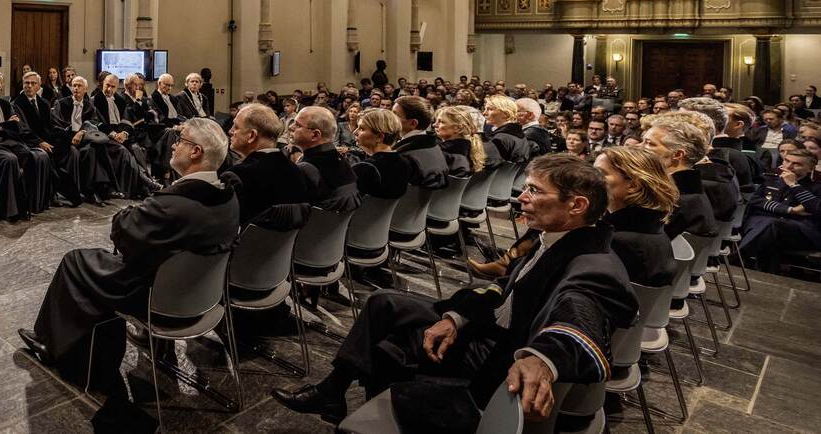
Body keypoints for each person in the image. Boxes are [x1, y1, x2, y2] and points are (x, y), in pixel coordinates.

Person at [271, 154, 637, 427]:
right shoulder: (562, 237)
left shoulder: (592, 264)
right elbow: (507, 288)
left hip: (500, 352)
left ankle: (365, 410)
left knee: (389, 347)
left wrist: (543, 360)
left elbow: (579, 320)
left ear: (576, 205)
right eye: (525, 187)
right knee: (385, 304)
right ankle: (333, 394)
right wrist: (456, 317)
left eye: (535, 191)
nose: (522, 197)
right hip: (490, 325)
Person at [17, 118, 238, 425]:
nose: (173, 144)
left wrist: (130, 212)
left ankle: (58, 349)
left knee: (76, 261)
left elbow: (122, 233)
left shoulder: (173, 206)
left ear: (196, 152)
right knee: (96, 266)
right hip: (202, 297)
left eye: (181, 140)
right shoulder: (228, 196)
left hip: (158, 298)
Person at [0, 71, 53, 217]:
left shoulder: (5, 104)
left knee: (31, 155)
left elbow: (17, 128)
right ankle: (8, 210)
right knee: (10, 160)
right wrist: (6, 125)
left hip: (10, 142)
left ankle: (28, 204)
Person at [593, 146, 678, 287]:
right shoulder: (651, 224)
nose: (590, 178)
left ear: (634, 185)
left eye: (600, 174)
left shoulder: (616, 241)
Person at [16, 70, 101, 206]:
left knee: (72, 151)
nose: (30, 86)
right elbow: (22, 129)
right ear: (23, 85)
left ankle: (74, 191)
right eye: (27, 83)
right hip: (30, 142)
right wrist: (40, 142)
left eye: (33, 83)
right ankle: (55, 194)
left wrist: (64, 135)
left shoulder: (42, 102)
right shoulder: (17, 104)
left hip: (47, 140)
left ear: (38, 86)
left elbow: (52, 125)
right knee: (51, 158)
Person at [224, 103, 311, 226]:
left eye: (236, 127)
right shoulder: (296, 170)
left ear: (252, 136)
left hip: (248, 245)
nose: (230, 131)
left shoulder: (237, 176)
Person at [738, 151, 821, 273]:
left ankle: (738, 255)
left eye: (796, 164)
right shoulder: (770, 178)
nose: (788, 166)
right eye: (786, 161)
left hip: (800, 231)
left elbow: (816, 208)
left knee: (771, 225)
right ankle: (766, 271)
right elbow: (753, 200)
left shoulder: (817, 187)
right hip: (764, 225)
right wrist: (790, 210)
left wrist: (794, 185)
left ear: (810, 168)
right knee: (768, 230)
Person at [640, 115, 718, 240]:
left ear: (677, 154)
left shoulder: (674, 200)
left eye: (649, 144)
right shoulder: (687, 191)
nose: (639, 147)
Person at [291, 105, 360, 211]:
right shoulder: (343, 161)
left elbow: (292, 214)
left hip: (314, 226)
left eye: (297, 125)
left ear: (315, 135)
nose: (291, 127)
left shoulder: (306, 168)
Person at [392, 96, 450, 190]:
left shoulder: (403, 156)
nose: (389, 118)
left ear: (413, 123)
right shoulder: (434, 145)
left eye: (395, 115)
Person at [355, 108, 414, 199]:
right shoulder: (406, 163)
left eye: (362, 129)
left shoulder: (365, 168)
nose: (355, 132)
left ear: (379, 137)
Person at [434, 105, 485, 177]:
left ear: (457, 128)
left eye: (441, 122)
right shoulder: (470, 149)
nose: (434, 125)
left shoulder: (444, 154)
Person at [484, 94, 530, 166]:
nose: (484, 113)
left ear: (506, 114)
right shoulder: (519, 134)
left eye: (490, 109)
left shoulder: (500, 139)